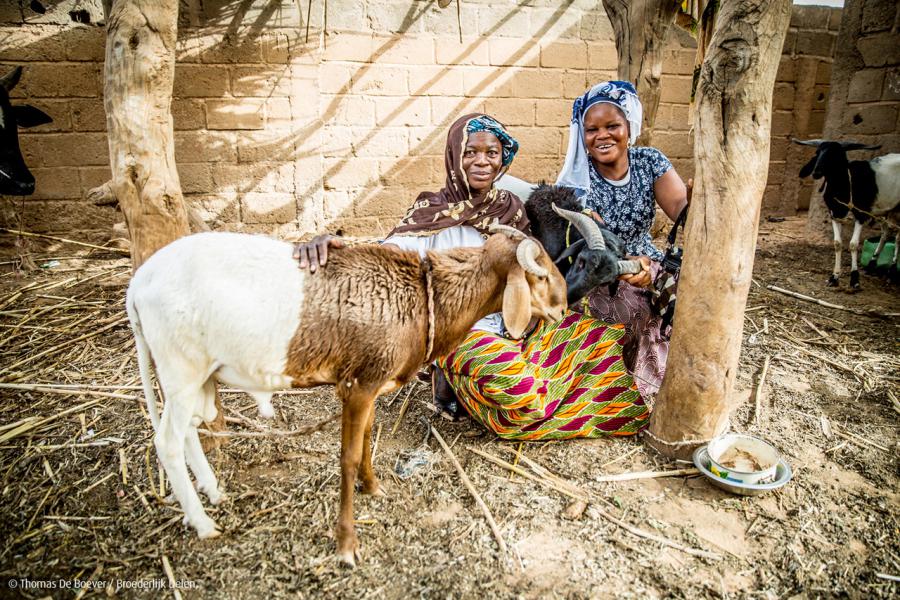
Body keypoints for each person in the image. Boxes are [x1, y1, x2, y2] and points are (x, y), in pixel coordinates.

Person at [296, 113, 650, 439]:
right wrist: (338, 245)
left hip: (516, 324)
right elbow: (389, 252)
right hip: (462, 334)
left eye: (492, 153)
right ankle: (484, 391)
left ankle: (516, 389)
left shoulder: (511, 211)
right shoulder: (433, 212)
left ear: (502, 159)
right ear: (454, 156)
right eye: (471, 153)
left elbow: (535, 277)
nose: (482, 161)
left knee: (602, 339)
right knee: (521, 393)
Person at [556, 81, 689, 396]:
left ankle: (681, 373)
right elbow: (596, 246)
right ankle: (645, 389)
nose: (602, 135)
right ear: (583, 136)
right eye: (592, 130)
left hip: (649, 260)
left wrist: (697, 202)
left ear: (629, 127)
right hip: (602, 271)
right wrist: (631, 267)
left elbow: (681, 210)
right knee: (637, 311)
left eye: (612, 126)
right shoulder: (579, 179)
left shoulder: (649, 162)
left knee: (689, 299)